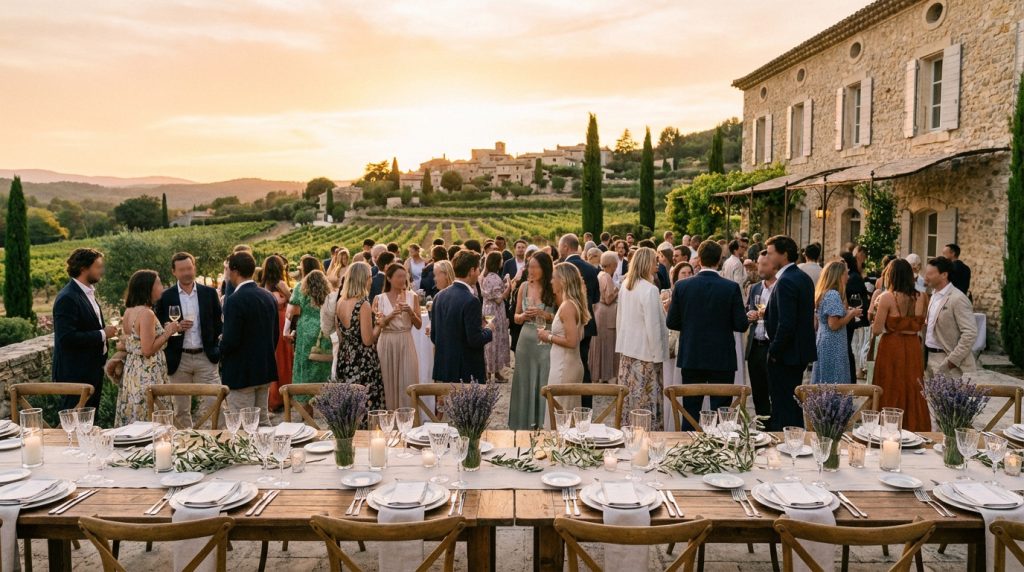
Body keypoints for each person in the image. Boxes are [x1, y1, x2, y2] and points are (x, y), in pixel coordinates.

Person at [666, 241, 747, 429]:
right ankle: (721, 451)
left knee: (690, 410)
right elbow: (741, 325)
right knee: (722, 412)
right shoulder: (731, 287)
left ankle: (690, 449)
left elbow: (671, 322)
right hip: (722, 357)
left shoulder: (682, 286)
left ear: (699, 260)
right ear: (719, 261)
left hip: (692, 355)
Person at [156, 252, 223, 428]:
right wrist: (172, 327)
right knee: (180, 409)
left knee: (216, 403)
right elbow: (158, 326)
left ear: (194, 268)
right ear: (174, 272)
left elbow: (218, 323)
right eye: (182, 269)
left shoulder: (209, 293)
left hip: (205, 356)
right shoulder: (165, 296)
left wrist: (216, 348)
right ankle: (185, 445)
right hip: (178, 358)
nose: (186, 272)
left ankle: (221, 443)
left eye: (189, 268)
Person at [52, 248, 118, 410]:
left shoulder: (87, 293)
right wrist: (103, 333)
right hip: (76, 374)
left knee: (89, 421)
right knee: (74, 423)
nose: (101, 271)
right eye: (97, 267)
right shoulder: (67, 297)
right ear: (84, 268)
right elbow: (67, 338)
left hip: (92, 370)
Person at [763, 235, 817, 431]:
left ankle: (784, 443)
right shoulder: (802, 277)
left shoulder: (786, 281)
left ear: (784, 254)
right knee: (792, 405)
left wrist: (774, 351)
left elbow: (787, 323)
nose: (767, 257)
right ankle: (793, 439)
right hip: (798, 353)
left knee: (782, 405)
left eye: (770, 253)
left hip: (786, 355)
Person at [219, 251, 279, 427]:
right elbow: (274, 336)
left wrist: (220, 346)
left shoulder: (235, 300)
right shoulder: (268, 296)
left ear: (234, 271)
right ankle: (266, 454)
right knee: (262, 422)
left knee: (243, 425)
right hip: (264, 368)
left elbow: (231, 340)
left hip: (241, 372)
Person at [871, 259, 931, 431]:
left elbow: (876, 330)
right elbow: (921, 324)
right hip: (913, 345)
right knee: (913, 385)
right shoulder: (922, 297)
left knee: (890, 384)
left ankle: (888, 427)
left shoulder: (887, 298)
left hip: (891, 345)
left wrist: (876, 312)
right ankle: (915, 426)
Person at [615, 247, 670, 429]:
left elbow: (620, 319)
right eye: (654, 261)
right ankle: (648, 439)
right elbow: (653, 327)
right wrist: (659, 356)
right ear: (647, 263)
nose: (657, 265)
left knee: (630, 402)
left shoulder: (626, 286)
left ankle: (629, 434)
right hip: (646, 356)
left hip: (627, 354)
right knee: (646, 403)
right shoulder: (650, 290)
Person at [116, 270, 180, 426]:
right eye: (158, 283)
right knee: (151, 417)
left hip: (133, 371)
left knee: (134, 414)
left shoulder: (129, 311)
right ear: (147, 288)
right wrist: (168, 332)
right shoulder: (147, 314)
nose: (162, 287)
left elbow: (132, 342)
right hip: (148, 372)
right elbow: (147, 350)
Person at [325, 261, 386, 410]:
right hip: (363, 362)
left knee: (350, 408)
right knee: (366, 407)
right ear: (363, 279)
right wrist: (380, 325)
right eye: (370, 277)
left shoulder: (340, 301)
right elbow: (367, 340)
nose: (371, 280)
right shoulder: (362, 304)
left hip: (345, 358)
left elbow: (340, 334)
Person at [430, 250, 495, 383]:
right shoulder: (471, 300)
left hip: (445, 370)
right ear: (471, 270)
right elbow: (474, 340)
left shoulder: (439, 296)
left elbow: (434, 336)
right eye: (478, 269)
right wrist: (489, 330)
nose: (479, 273)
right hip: (466, 373)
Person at [508, 252, 556, 429]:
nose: (532, 270)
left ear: (545, 268)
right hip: (525, 340)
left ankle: (542, 423)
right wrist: (523, 316)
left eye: (536, 267)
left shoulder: (553, 287)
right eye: (530, 266)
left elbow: (559, 317)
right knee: (524, 379)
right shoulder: (523, 287)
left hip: (544, 340)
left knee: (543, 378)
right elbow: (515, 317)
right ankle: (522, 424)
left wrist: (545, 314)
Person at [538, 263, 590, 422]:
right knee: (566, 414)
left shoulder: (567, 306)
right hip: (567, 364)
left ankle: (559, 445)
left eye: (554, 278)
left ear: (563, 281)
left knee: (561, 416)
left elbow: (572, 341)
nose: (551, 281)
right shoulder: (571, 303)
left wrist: (548, 337)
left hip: (564, 368)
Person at [368, 264, 421, 408]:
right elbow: (380, 324)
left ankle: (408, 422)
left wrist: (410, 312)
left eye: (405, 276)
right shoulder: (379, 298)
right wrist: (393, 314)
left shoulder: (413, 296)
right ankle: (388, 422)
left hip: (405, 340)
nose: (403, 279)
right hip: (387, 342)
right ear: (389, 278)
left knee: (408, 381)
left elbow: (418, 325)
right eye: (399, 276)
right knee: (387, 381)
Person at [558, 234, 600, 407]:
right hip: (586, 322)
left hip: (565, 321)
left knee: (566, 363)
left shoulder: (560, 268)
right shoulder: (592, 269)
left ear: (566, 247)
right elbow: (596, 299)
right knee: (583, 362)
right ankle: (585, 403)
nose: (559, 249)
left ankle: (567, 401)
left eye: (560, 246)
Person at [923, 256, 978, 377]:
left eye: (930, 274)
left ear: (944, 275)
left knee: (946, 397)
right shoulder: (933, 295)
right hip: (929, 359)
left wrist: (952, 361)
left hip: (947, 360)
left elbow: (970, 333)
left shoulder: (957, 298)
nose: (926, 277)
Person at [811, 261, 862, 384]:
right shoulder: (833, 294)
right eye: (845, 274)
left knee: (825, 379)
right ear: (838, 275)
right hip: (833, 343)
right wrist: (851, 314)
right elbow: (833, 325)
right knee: (834, 380)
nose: (848, 277)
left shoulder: (825, 293)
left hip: (824, 339)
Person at [288, 268, 334, 397]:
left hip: (305, 330)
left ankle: (305, 402)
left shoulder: (299, 288)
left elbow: (292, 309)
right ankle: (325, 398)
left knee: (304, 366)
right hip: (323, 329)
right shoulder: (329, 293)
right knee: (323, 365)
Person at [745, 251, 777, 417]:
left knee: (774, 389)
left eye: (764, 264)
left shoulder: (780, 287)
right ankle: (762, 425)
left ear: (774, 266)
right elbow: (749, 308)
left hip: (772, 345)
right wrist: (749, 314)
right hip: (755, 346)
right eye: (759, 264)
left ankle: (775, 425)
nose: (760, 268)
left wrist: (768, 315)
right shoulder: (755, 288)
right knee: (758, 391)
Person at [260, 255, 294, 412]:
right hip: (281, 321)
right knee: (284, 359)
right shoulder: (280, 284)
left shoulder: (263, 285)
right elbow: (293, 299)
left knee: (276, 358)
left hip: (269, 322)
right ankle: (284, 395)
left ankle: (274, 398)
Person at [480, 252, 512, 381]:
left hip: (486, 309)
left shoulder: (486, 277)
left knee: (489, 342)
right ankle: (493, 372)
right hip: (495, 312)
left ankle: (490, 371)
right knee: (495, 340)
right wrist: (509, 286)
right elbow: (499, 299)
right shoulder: (495, 278)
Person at [589, 252, 620, 383]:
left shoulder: (600, 274)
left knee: (600, 346)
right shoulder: (606, 276)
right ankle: (603, 376)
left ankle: (598, 375)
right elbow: (608, 299)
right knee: (606, 346)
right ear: (613, 264)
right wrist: (619, 289)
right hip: (606, 314)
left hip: (600, 312)